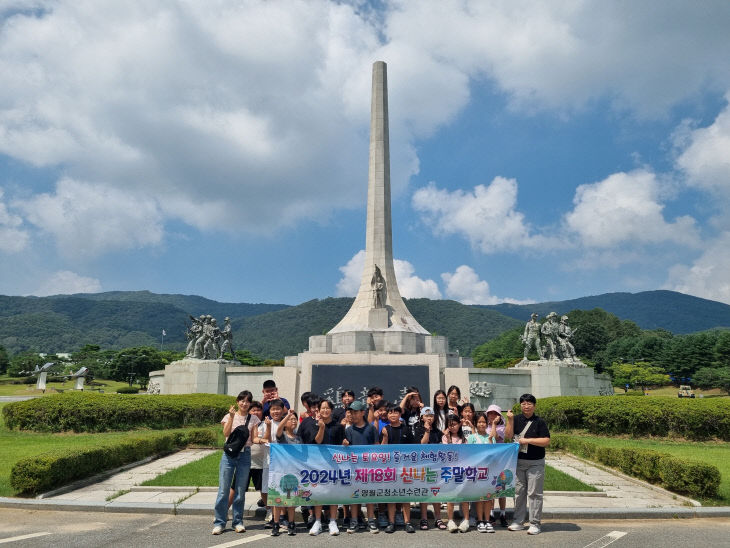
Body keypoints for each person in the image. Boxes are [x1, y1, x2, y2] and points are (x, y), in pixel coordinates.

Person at [212, 390, 260, 535]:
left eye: (247, 401)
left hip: (245, 455)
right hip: (229, 455)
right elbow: (226, 434)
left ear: (250, 403)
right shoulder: (228, 416)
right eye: (242, 400)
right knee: (223, 490)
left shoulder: (254, 419)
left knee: (240, 491)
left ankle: (237, 522)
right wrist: (232, 417)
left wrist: (266, 440)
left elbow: (255, 438)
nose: (244, 403)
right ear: (237, 401)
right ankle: (219, 522)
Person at [506, 394, 550, 536]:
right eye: (523, 403)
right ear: (520, 405)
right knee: (519, 493)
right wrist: (509, 420)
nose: (526, 406)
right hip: (518, 462)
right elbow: (508, 436)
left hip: (535, 463)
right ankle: (518, 521)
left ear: (534, 406)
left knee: (534, 493)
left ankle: (535, 523)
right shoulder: (516, 419)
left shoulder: (539, 422)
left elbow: (546, 441)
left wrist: (528, 440)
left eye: (529, 403)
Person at [309, 399, 345, 536]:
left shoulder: (338, 426)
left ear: (331, 410)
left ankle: (332, 521)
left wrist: (345, 443)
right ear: (318, 410)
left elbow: (342, 443)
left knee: (333, 492)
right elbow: (317, 441)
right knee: (319, 491)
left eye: (327, 408)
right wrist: (321, 427)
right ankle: (317, 521)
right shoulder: (315, 425)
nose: (325, 410)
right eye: (322, 408)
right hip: (318, 463)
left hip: (334, 464)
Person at [344, 400, 380, 534]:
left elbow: (376, 447)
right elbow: (346, 450)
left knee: (369, 495)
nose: (353, 415)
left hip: (369, 468)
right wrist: (345, 444)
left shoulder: (371, 428)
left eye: (355, 412)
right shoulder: (348, 430)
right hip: (354, 468)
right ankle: (354, 520)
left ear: (362, 413)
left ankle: (371, 520)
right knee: (354, 495)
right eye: (351, 412)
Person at [380, 404, 415, 534]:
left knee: (405, 496)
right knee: (391, 496)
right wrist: (384, 437)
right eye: (390, 413)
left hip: (404, 468)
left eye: (396, 412)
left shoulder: (406, 429)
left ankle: (408, 522)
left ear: (400, 415)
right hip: (389, 469)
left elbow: (413, 450)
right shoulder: (385, 429)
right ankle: (391, 522)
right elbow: (381, 452)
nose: (393, 415)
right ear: (387, 415)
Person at [254, 398, 286, 529]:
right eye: (273, 409)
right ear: (270, 411)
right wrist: (268, 427)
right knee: (271, 490)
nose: (276, 411)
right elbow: (265, 439)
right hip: (269, 462)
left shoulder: (288, 423)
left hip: (285, 463)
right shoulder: (264, 424)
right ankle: (274, 517)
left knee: (283, 489)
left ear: (283, 410)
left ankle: (282, 518)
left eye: (278, 409)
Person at [271, 408, 300, 536]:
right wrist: (287, 416)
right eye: (290, 419)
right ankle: (276, 524)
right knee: (278, 499)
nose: (293, 421)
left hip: (294, 473)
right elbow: (278, 430)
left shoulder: (299, 438)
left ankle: (291, 523)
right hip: (280, 472)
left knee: (291, 500)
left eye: (295, 419)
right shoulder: (282, 436)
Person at [414, 406, 444, 530]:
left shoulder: (437, 431)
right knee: (424, 493)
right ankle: (424, 518)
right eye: (426, 416)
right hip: (423, 466)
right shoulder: (417, 429)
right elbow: (421, 445)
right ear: (422, 417)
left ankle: (438, 518)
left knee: (436, 493)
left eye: (431, 415)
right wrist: (426, 431)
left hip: (436, 467)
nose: (429, 418)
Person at [467, 412, 495, 533]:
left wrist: (489, 440)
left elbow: (494, 454)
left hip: (489, 471)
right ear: (475, 424)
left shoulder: (491, 437)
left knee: (488, 497)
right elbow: (469, 454)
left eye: (484, 422)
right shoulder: (472, 438)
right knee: (479, 497)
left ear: (487, 423)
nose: (482, 424)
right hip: (477, 471)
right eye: (479, 422)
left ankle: (487, 520)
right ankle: (480, 520)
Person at [442, 414, 469, 533]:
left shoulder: (464, 439)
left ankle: (466, 520)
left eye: (454, 424)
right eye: (450, 425)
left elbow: (466, 454)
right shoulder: (444, 438)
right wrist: (447, 438)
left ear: (459, 424)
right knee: (450, 497)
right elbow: (447, 453)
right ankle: (450, 520)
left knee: (464, 497)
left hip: (462, 471)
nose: (452, 427)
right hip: (449, 470)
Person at [485, 404, 510, 527]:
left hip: (501, 461)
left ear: (499, 416)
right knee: (491, 488)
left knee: (501, 488)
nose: (492, 416)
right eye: (490, 413)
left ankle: (503, 514)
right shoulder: (484, 426)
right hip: (489, 461)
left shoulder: (502, 428)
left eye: (495, 413)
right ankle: (491, 513)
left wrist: (494, 424)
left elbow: (494, 437)